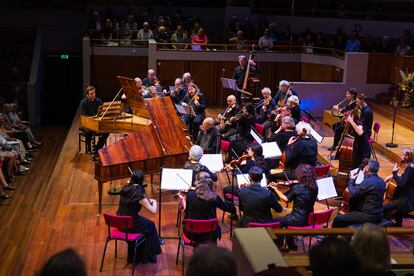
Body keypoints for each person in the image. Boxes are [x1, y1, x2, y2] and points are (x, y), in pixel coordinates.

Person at [116, 169, 162, 264]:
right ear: (142, 180)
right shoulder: (138, 193)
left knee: (146, 222)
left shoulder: (125, 188)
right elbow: (153, 211)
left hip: (120, 222)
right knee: (151, 225)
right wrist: (155, 202)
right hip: (130, 225)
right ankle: (150, 254)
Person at [271, 164, 318, 250]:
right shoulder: (315, 186)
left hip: (298, 219)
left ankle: (279, 246)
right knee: (287, 218)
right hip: (310, 219)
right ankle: (291, 245)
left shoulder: (298, 188)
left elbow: (286, 199)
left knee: (277, 221)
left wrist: (275, 189)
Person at [333, 159, 386, 227]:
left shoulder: (367, 182)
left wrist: (351, 180)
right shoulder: (382, 181)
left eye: (365, 166)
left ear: (367, 168)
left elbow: (354, 192)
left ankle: (331, 237)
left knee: (338, 218)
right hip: (379, 214)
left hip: (368, 216)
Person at [183, 178, 234, 243]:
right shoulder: (214, 197)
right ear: (210, 187)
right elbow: (226, 208)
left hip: (192, 233)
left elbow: (186, 212)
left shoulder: (190, 195)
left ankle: (196, 247)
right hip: (210, 233)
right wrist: (231, 202)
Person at [383, 148, 414, 226]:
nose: (401, 157)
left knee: (383, 208)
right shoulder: (411, 166)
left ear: (406, 156)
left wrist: (394, 173)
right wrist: (391, 176)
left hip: (406, 201)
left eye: (402, 155)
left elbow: (402, 184)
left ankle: (386, 225)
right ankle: (397, 224)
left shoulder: (410, 168)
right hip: (409, 197)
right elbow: (405, 176)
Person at [79, 86, 109, 158]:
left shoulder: (98, 101)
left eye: (94, 93)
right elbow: (84, 117)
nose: (93, 95)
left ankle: (97, 148)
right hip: (86, 124)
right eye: (91, 93)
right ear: (87, 95)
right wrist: (93, 120)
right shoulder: (83, 103)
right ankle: (89, 148)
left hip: (96, 122)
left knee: (107, 131)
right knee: (89, 131)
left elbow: (101, 112)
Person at [346, 94, 373, 167]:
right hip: (360, 146)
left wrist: (351, 121)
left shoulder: (364, 115)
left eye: (358, 102)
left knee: (360, 169)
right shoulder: (359, 119)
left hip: (364, 147)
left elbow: (360, 131)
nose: (356, 103)